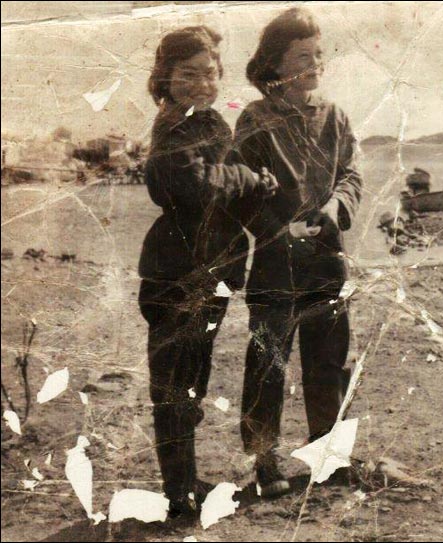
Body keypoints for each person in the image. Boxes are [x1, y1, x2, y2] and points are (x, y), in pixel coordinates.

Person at [138, 26, 282, 519]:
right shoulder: (173, 127)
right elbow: (196, 185)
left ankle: (183, 481)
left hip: (211, 268)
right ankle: (178, 492)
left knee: (190, 381)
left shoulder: (211, 123)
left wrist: (254, 183)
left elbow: (219, 183)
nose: (201, 83)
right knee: (175, 383)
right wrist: (248, 178)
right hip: (177, 271)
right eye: (187, 74)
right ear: (165, 78)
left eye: (210, 73)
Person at [231, 7, 363, 497]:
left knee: (329, 359)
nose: (314, 64)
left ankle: (329, 452)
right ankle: (264, 461)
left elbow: (351, 173)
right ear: (276, 64)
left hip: (328, 257)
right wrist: (278, 231)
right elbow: (240, 194)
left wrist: (335, 205)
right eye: (302, 56)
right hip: (275, 261)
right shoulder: (254, 120)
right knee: (269, 362)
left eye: (319, 55)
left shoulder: (336, 116)